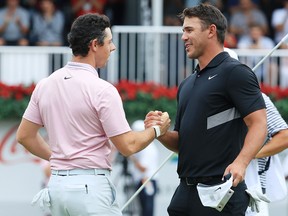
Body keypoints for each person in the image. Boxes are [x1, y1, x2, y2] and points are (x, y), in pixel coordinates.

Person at [16, 13, 170, 216]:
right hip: (90, 189)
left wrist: (61, 160)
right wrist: (158, 130)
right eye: (109, 42)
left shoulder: (45, 84)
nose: (113, 48)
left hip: (56, 186)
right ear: (94, 45)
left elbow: (24, 136)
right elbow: (128, 146)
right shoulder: (102, 89)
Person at [145, 4, 267, 215]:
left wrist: (241, 162)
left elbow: (259, 123)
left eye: (189, 30)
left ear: (211, 31)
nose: (183, 36)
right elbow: (183, 142)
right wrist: (160, 132)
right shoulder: (186, 84)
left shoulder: (235, 72)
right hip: (184, 192)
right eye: (183, 30)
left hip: (221, 193)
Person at [245, 93, 288, 216]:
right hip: (208, 189)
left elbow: (284, 137)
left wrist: (247, 154)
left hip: (251, 191)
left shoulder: (254, 96)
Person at [130, 120, 159, 216]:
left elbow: (143, 168)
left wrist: (130, 156)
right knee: (145, 210)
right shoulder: (147, 146)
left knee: (147, 211)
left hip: (146, 181)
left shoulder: (147, 147)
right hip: (146, 181)